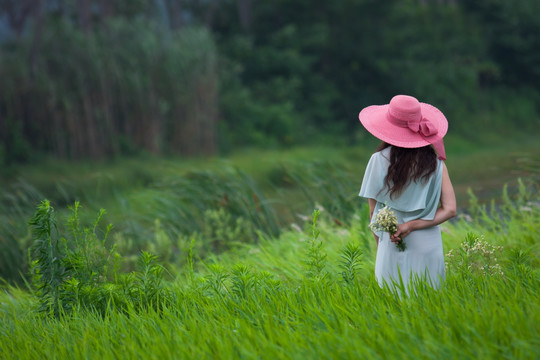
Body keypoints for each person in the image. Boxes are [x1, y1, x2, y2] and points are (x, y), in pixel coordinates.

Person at [358, 95, 456, 294]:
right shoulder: (436, 164)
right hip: (428, 246)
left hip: (392, 242)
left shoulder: (377, 160)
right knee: (431, 308)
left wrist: (382, 247)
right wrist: (412, 225)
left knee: (393, 311)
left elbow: (373, 214)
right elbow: (450, 209)